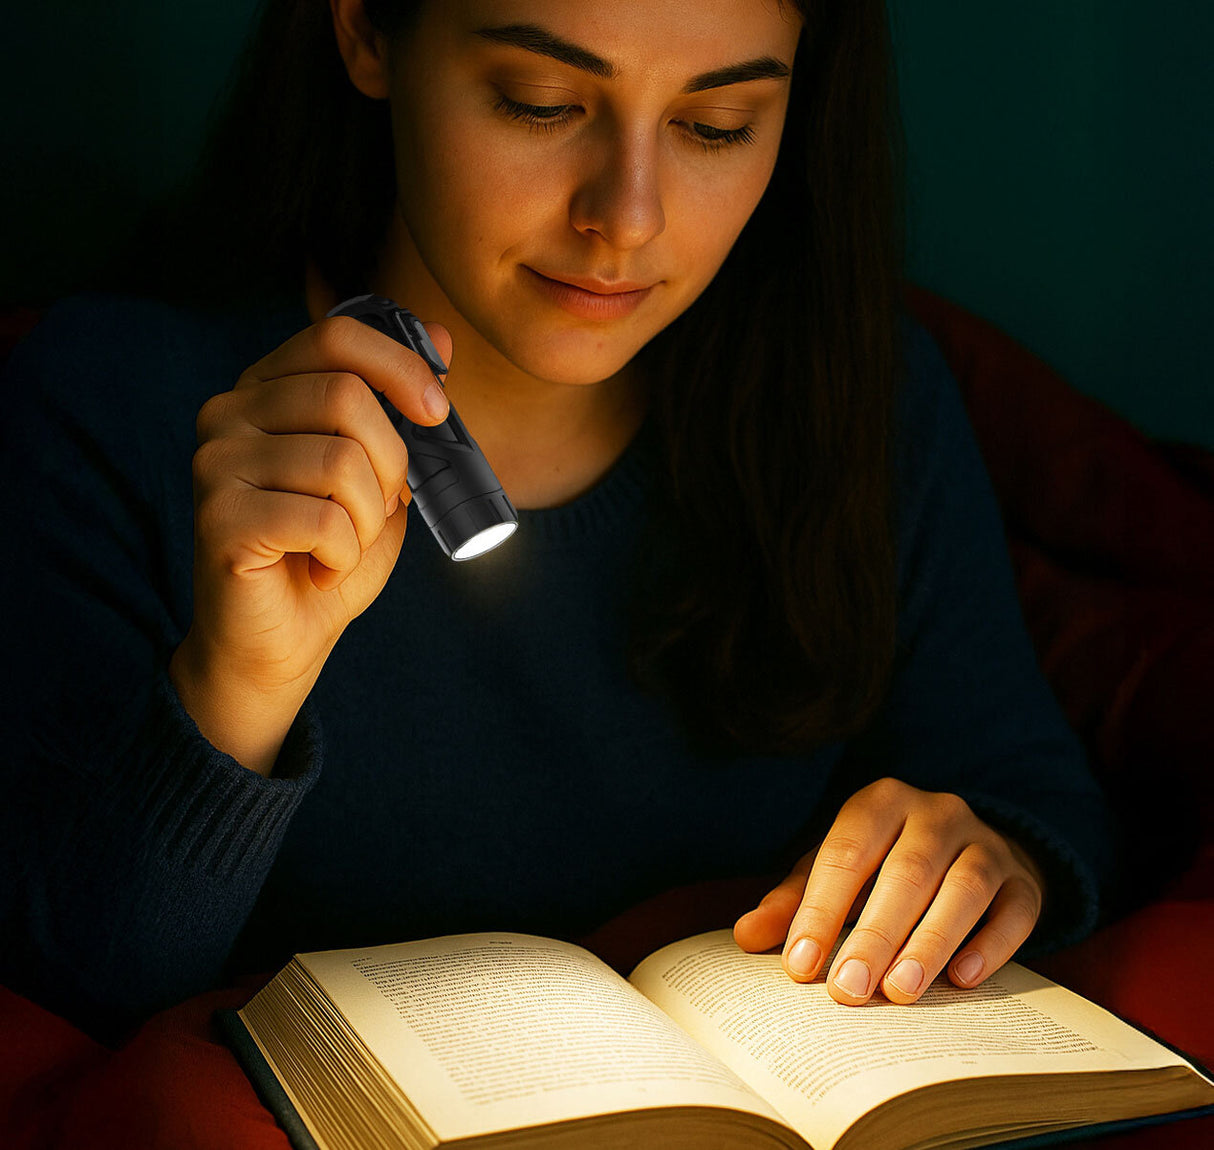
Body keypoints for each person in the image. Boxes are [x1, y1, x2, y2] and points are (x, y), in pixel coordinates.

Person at [0, 0, 1113, 1045]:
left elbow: (1027, 789)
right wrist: (236, 685)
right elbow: (75, 991)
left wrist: (982, 853)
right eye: (541, 100)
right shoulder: (113, 408)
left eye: (715, 124)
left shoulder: (857, 402)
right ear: (366, 29)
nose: (624, 218)